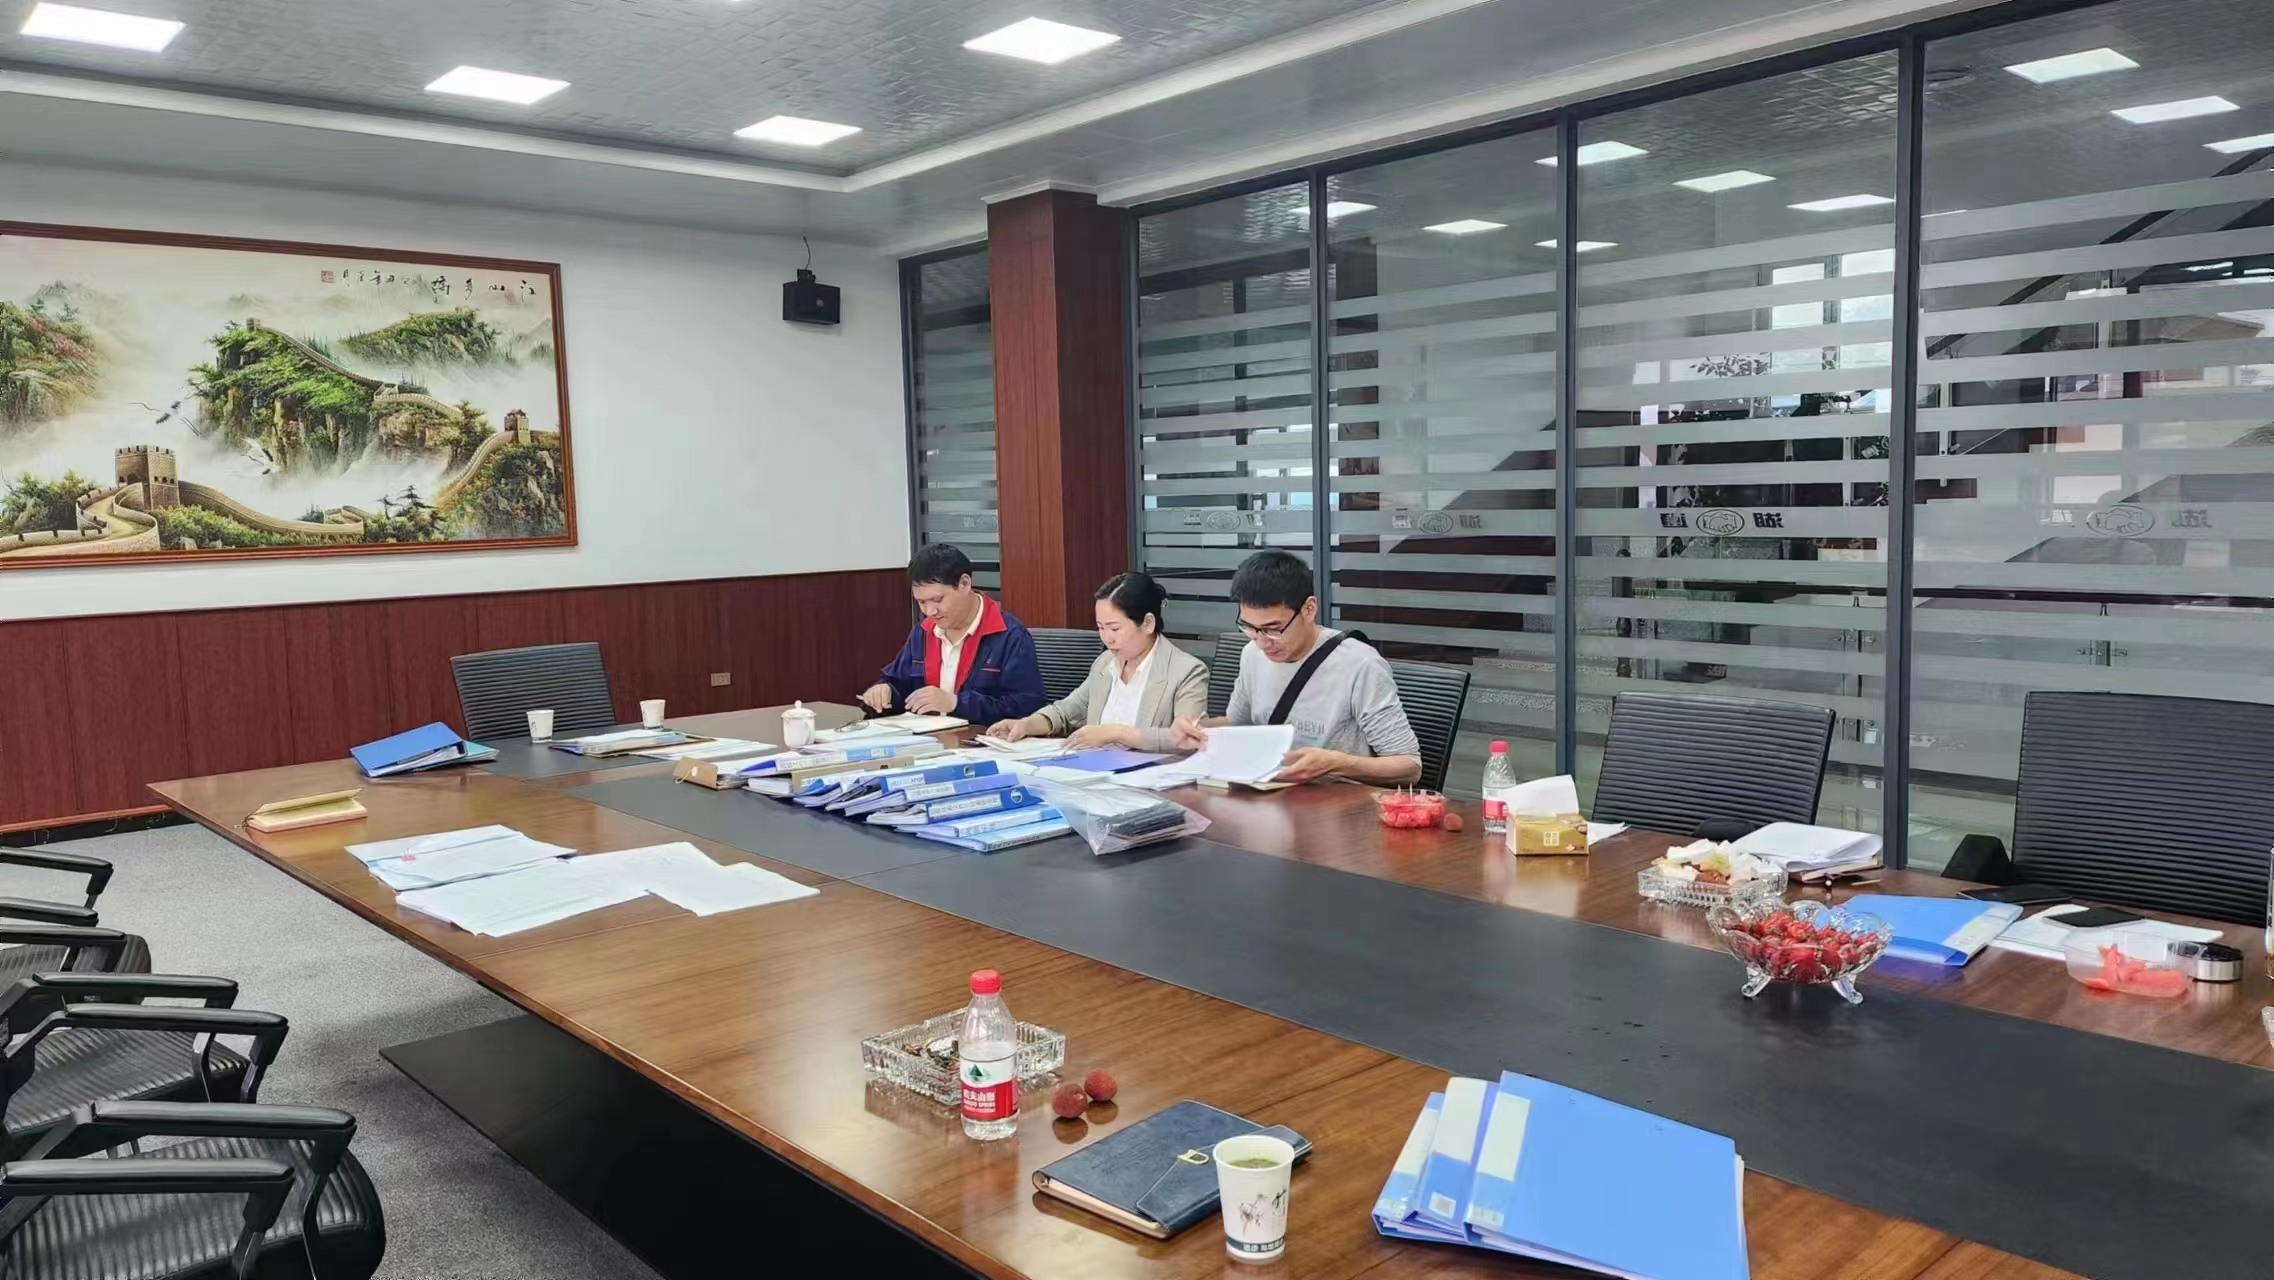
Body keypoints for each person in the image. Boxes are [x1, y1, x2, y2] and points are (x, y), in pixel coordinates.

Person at [1172, 549, 1421, 785]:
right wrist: (1199, 729)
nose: (1262, 642)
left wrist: (1337, 763)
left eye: (1273, 629)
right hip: (1269, 795)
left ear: (1309, 609)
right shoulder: (1251, 654)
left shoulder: (1360, 665)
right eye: (1249, 627)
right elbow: (1237, 726)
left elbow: (1409, 766)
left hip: (1337, 801)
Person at [987, 571, 1208, 751]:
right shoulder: (1105, 663)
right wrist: (1026, 725)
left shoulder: (1186, 671)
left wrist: (1116, 733)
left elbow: (1187, 737)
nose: (1106, 638)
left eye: (1115, 628)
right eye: (1101, 628)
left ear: (1148, 623)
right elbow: (1066, 712)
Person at [862, 544, 1046, 724]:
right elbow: (899, 684)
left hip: (979, 739)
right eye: (921, 602)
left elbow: (1026, 707)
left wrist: (956, 704)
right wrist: (884, 692)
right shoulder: (923, 631)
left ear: (964, 584)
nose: (930, 611)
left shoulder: (1009, 635)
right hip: (926, 736)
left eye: (937, 600)